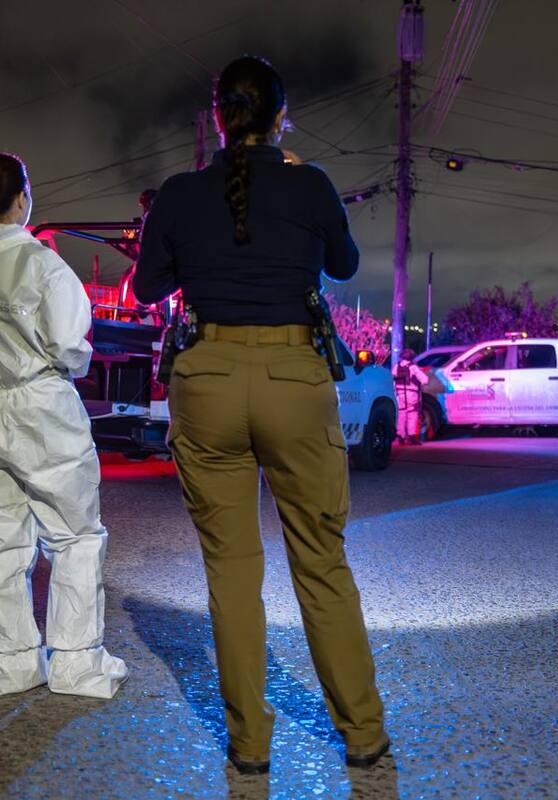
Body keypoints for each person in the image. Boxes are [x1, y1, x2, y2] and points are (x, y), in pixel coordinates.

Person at [135, 55, 389, 774]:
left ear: (219, 120)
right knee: (322, 562)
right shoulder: (309, 183)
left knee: (231, 573)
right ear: (281, 116)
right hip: (291, 377)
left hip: (208, 378)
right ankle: (364, 735)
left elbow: (149, 284)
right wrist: (297, 177)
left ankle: (249, 748)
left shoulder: (180, 196)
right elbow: (341, 263)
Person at [0, 151, 128, 699]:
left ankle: (14, 663)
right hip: (38, 410)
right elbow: (69, 344)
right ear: (22, 198)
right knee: (74, 537)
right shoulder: (39, 263)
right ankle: (75, 663)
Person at [393, 348, 429, 445]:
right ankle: (412, 436)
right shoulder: (413, 367)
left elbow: (392, 379)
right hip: (411, 394)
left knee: (401, 415)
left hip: (400, 394)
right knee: (412, 415)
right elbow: (425, 380)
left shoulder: (397, 366)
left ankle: (400, 435)